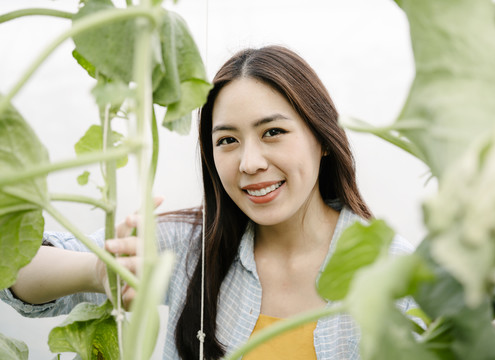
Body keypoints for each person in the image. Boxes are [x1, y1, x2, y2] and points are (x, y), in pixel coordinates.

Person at [1, 45, 414, 360]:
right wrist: (99, 270)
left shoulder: (399, 271)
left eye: (272, 132)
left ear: (322, 139)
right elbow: (15, 267)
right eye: (227, 141)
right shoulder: (189, 243)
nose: (250, 163)